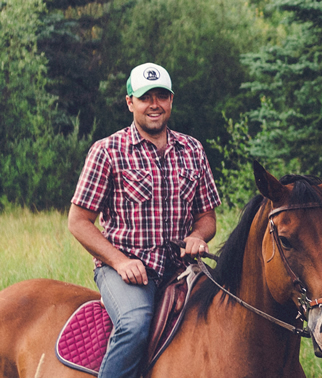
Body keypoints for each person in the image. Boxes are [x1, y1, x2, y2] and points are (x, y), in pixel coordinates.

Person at [68, 62, 221, 378]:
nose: (154, 105)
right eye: (145, 97)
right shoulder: (108, 151)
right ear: (130, 102)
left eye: (161, 96)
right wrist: (120, 261)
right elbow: (79, 221)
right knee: (135, 323)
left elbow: (207, 216)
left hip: (183, 269)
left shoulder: (193, 150)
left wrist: (197, 236)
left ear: (171, 100)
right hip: (126, 272)